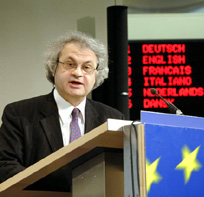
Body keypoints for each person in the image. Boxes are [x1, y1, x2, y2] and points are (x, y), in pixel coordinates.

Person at [0, 31, 124, 189]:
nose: (78, 73)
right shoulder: (19, 113)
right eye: (70, 64)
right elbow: (5, 165)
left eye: (87, 67)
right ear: (53, 68)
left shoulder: (112, 118)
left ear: (96, 76)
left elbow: (120, 170)